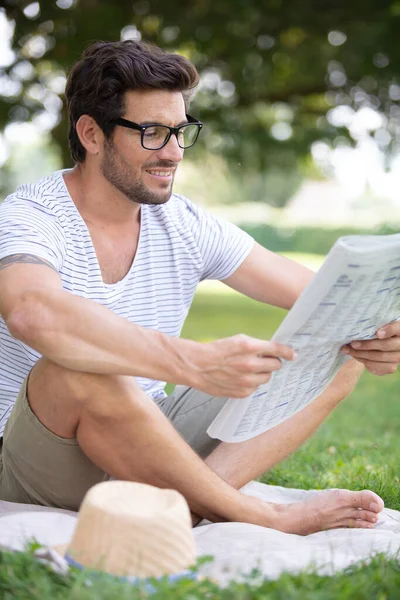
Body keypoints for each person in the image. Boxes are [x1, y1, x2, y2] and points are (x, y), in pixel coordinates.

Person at [0, 40, 398, 534]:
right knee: (80, 367)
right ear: (91, 134)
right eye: (151, 132)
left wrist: (383, 330)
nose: (171, 152)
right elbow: (31, 311)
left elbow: (330, 296)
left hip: (146, 442)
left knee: (338, 344)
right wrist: (191, 361)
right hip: (37, 460)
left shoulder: (183, 223)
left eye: (179, 131)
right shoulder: (31, 217)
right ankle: (259, 515)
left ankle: (189, 511)